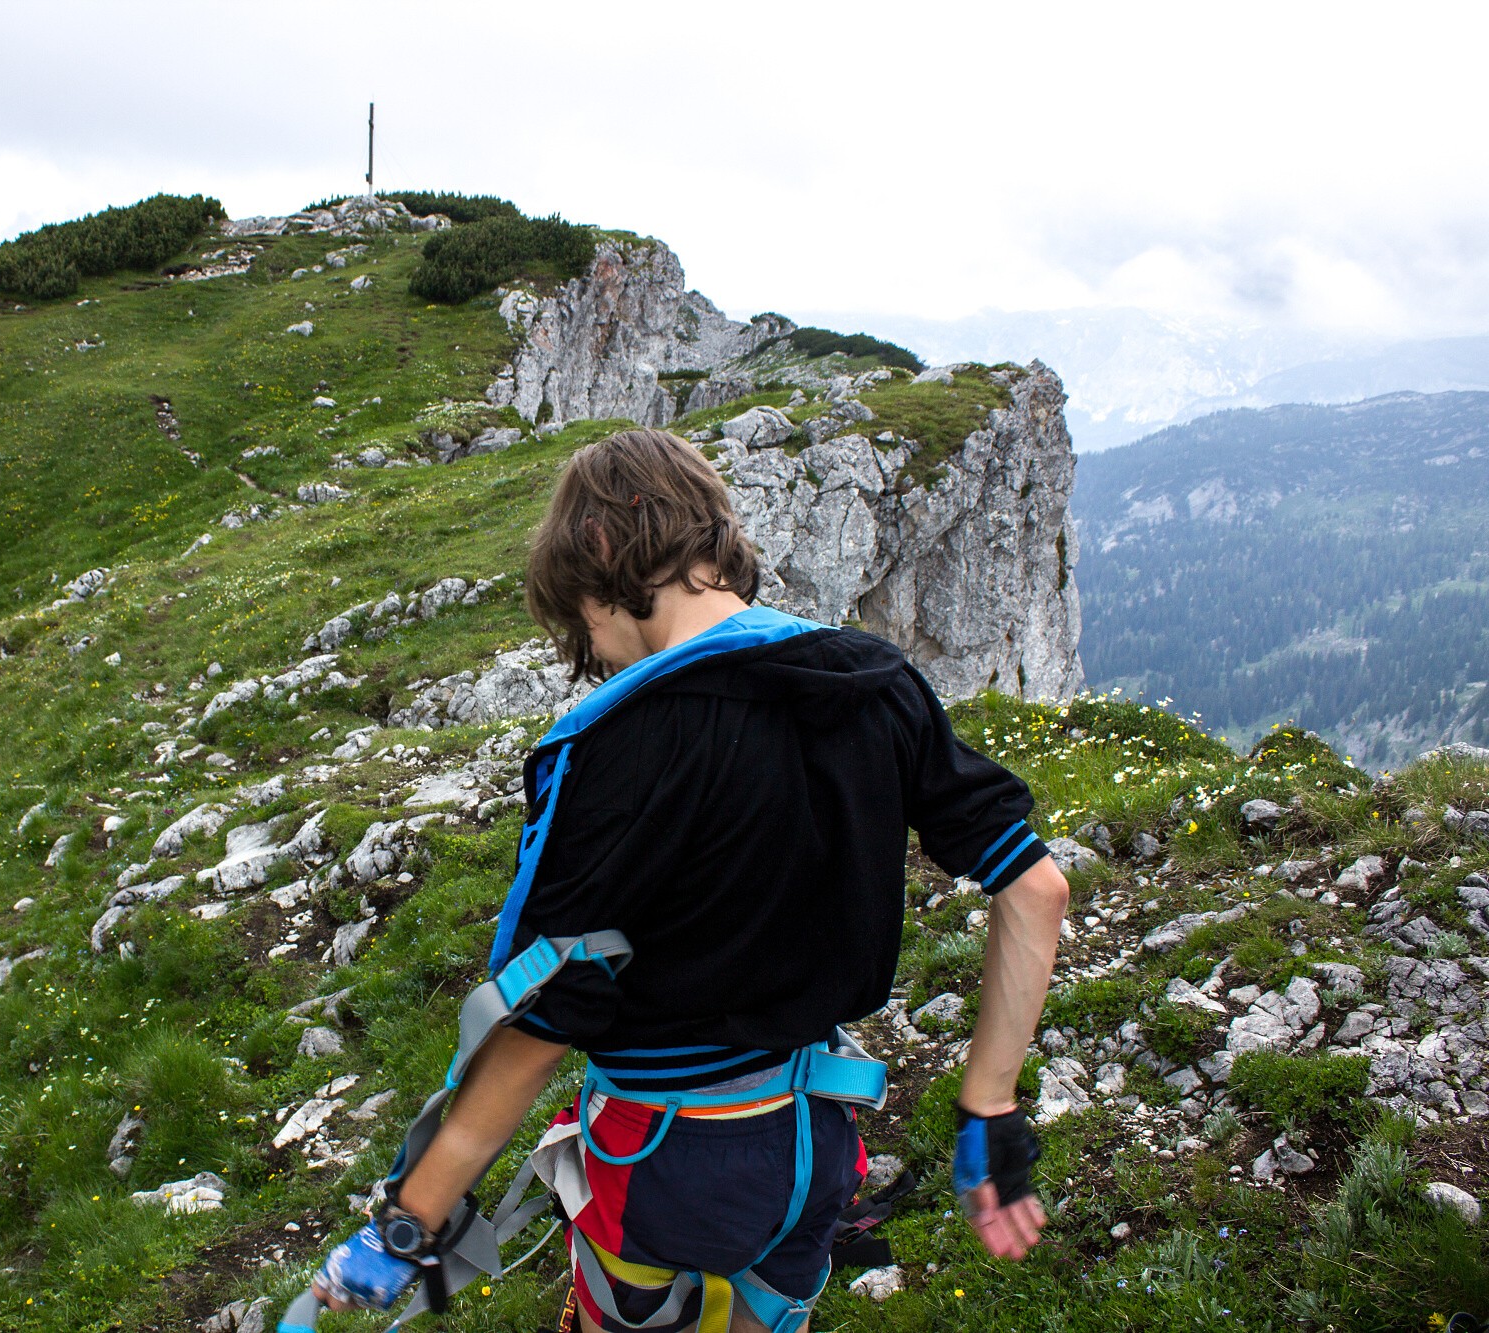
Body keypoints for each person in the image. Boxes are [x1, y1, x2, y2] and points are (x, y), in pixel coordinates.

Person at [303, 429, 1069, 1333]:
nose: (603, 655)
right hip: (815, 1140)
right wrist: (989, 1105)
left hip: (668, 1158)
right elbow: (1035, 888)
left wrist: (408, 1222)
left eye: (584, 623)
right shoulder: (874, 681)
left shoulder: (613, 745)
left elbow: (539, 1021)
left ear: (599, 555)